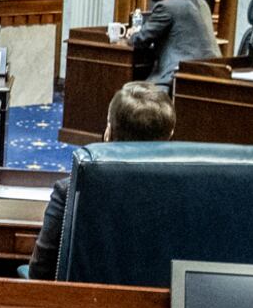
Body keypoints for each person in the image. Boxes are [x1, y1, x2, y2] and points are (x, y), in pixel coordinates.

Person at [26, 82, 175, 281]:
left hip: (81, 306)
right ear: (170, 135)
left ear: (109, 132)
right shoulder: (187, 194)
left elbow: (40, 272)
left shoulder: (70, 190)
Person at [121, 0, 218, 89]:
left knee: (130, 91)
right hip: (212, 71)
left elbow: (140, 40)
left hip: (178, 74)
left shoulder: (166, 7)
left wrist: (132, 33)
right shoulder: (201, 3)